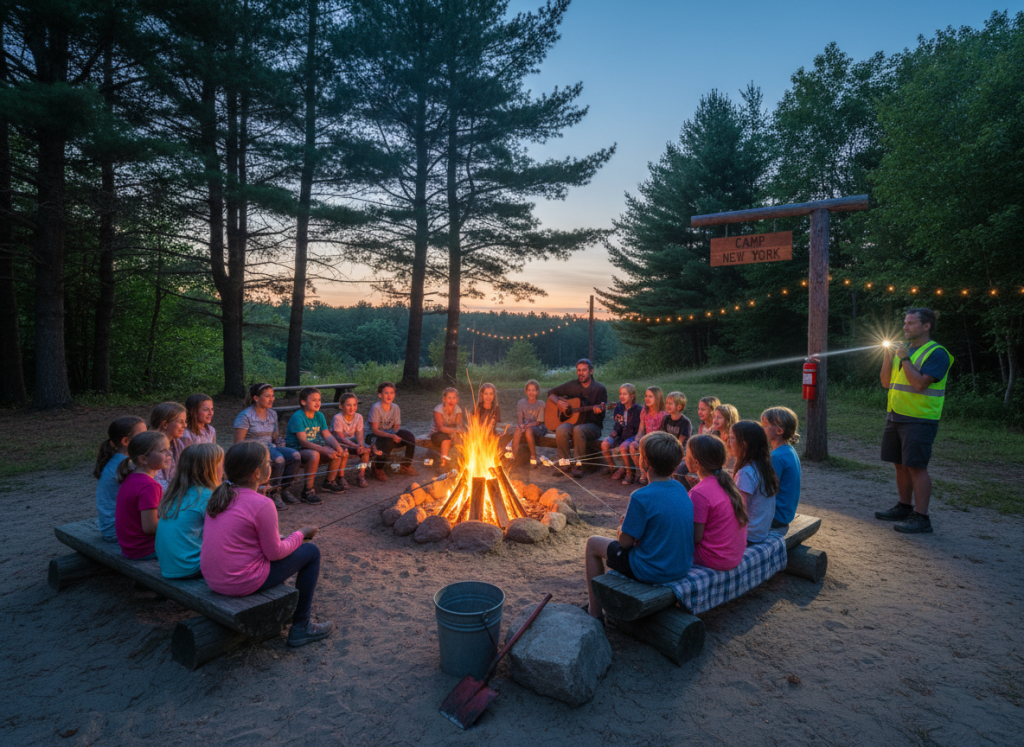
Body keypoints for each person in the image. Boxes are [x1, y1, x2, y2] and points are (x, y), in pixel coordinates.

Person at [201, 441, 333, 647]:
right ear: (256, 473)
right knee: (311, 551)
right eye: (269, 462)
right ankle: (301, 626)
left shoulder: (220, 496)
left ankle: (292, 617)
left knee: (287, 543)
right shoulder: (263, 504)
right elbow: (275, 553)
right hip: (239, 582)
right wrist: (301, 534)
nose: (271, 465)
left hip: (214, 579)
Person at [584, 432, 694, 621]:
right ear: (675, 464)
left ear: (644, 462)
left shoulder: (641, 496)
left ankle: (594, 613)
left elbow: (625, 543)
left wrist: (621, 530)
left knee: (593, 544)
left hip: (651, 571)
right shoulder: (680, 488)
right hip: (681, 566)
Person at [875, 308, 953, 534]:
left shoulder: (938, 353)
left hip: (920, 418)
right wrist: (888, 356)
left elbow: (920, 384)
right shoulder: (904, 351)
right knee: (899, 464)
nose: (905, 327)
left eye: (910, 323)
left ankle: (921, 517)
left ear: (926, 326)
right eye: (904, 323)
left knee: (917, 467)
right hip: (895, 416)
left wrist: (905, 358)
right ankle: (904, 506)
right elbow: (886, 382)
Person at [155, 443, 224, 579]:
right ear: (211, 468)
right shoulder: (207, 496)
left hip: (169, 566)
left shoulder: (177, 493)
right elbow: (223, 537)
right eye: (222, 463)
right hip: (190, 567)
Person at [234, 383, 301, 511]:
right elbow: (238, 443)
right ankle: (272, 494)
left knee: (295, 455)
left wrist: (281, 441)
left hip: (270, 447)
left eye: (273, 396)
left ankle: (284, 489)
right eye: (267, 396)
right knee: (279, 459)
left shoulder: (272, 414)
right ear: (256, 398)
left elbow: (274, 435)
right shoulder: (245, 416)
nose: (272, 399)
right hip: (253, 449)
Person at [685, 434, 747, 571]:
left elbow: (695, 537)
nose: (684, 458)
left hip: (714, 559)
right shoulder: (725, 483)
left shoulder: (699, 493)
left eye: (687, 454)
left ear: (696, 462)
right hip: (733, 556)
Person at [547, 359, 608, 479]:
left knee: (578, 430)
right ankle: (564, 463)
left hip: (592, 426)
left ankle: (579, 465)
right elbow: (551, 393)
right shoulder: (572, 385)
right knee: (561, 429)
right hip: (573, 423)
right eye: (578, 370)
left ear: (591, 371)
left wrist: (598, 410)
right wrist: (558, 403)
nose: (581, 373)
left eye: (584, 370)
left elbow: (601, 416)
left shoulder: (599, 389)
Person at [115, 431, 170, 560]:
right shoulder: (149, 486)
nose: (169, 454)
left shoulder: (132, 476)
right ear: (143, 459)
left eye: (169, 449)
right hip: (144, 549)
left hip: (130, 547)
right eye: (163, 451)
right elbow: (150, 527)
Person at [286, 387, 347, 502]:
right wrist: (324, 450)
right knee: (314, 455)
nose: (318, 402)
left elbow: (327, 435)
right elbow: (303, 442)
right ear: (303, 402)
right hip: (297, 449)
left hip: (314, 447)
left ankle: (329, 481)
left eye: (319, 399)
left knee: (337, 451)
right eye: (314, 400)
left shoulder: (319, 415)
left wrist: (337, 447)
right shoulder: (298, 417)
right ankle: (307, 490)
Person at [94, 416, 146, 543]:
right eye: (143, 435)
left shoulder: (120, 459)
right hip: (118, 531)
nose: (147, 438)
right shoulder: (126, 465)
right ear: (126, 441)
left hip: (111, 527)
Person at [728, 421, 779, 544]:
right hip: (761, 531)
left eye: (732, 438)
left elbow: (739, 512)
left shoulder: (745, 473)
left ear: (744, 444)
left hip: (749, 535)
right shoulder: (762, 466)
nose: (729, 443)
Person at [761, 407, 802, 531]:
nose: (761, 429)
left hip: (776, 517)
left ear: (779, 430)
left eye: (765, 426)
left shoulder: (776, 457)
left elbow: (766, 490)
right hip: (786, 514)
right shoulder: (789, 451)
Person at [368, 381, 418, 481]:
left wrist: (396, 428)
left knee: (409, 437)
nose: (389, 395)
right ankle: (378, 468)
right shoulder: (376, 408)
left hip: (390, 434)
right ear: (380, 395)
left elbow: (396, 427)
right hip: (374, 436)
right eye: (386, 393)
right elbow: (375, 430)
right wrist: (391, 436)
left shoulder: (395, 408)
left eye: (392, 393)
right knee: (388, 442)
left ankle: (406, 465)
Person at [331, 393, 375, 488]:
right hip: (339, 443)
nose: (352, 408)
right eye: (348, 405)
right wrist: (356, 446)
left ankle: (361, 475)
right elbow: (340, 438)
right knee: (345, 451)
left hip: (352, 442)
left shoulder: (359, 417)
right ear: (341, 406)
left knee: (366, 450)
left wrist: (360, 444)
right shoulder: (337, 418)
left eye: (354, 405)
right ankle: (340, 477)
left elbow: (359, 434)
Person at [600, 383, 641, 481]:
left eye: (624, 394)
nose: (621, 397)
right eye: (620, 394)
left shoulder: (638, 410)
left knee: (621, 447)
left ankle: (628, 471)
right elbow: (618, 424)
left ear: (632, 395)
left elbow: (638, 429)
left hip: (633, 437)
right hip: (621, 436)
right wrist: (615, 431)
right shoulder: (619, 407)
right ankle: (613, 467)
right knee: (605, 443)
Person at [628, 386, 667, 486]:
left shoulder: (663, 414)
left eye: (650, 396)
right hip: (646, 440)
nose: (647, 398)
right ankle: (641, 472)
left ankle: (649, 476)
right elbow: (641, 430)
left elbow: (662, 434)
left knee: (644, 447)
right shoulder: (644, 411)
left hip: (657, 441)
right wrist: (637, 439)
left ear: (657, 398)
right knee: (633, 445)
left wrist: (645, 441)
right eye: (646, 396)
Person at [509, 380, 547, 468]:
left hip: (538, 427)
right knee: (518, 429)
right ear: (526, 391)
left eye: (533, 390)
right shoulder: (521, 403)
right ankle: (513, 455)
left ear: (537, 392)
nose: (531, 392)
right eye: (529, 390)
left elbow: (539, 421)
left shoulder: (541, 404)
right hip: (525, 425)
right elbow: (520, 417)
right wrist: (521, 425)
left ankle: (533, 457)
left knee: (528, 431)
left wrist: (527, 426)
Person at [150, 402, 186, 488]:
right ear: (165, 424)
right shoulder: (152, 446)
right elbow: (156, 480)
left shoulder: (178, 443)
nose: (185, 425)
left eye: (185, 422)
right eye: (180, 422)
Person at [428, 387, 464, 473]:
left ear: (457, 399)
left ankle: (460, 463)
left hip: (451, 433)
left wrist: (460, 432)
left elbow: (459, 426)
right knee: (446, 439)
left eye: (454, 398)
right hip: (437, 434)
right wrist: (456, 431)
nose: (451, 400)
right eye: (449, 398)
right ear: (444, 399)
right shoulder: (438, 409)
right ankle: (443, 464)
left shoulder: (458, 410)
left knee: (462, 439)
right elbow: (440, 427)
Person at [711, 403, 740, 472]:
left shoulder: (735, 438)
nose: (715, 420)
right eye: (714, 417)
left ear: (728, 420)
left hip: (730, 472)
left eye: (719, 417)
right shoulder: (714, 435)